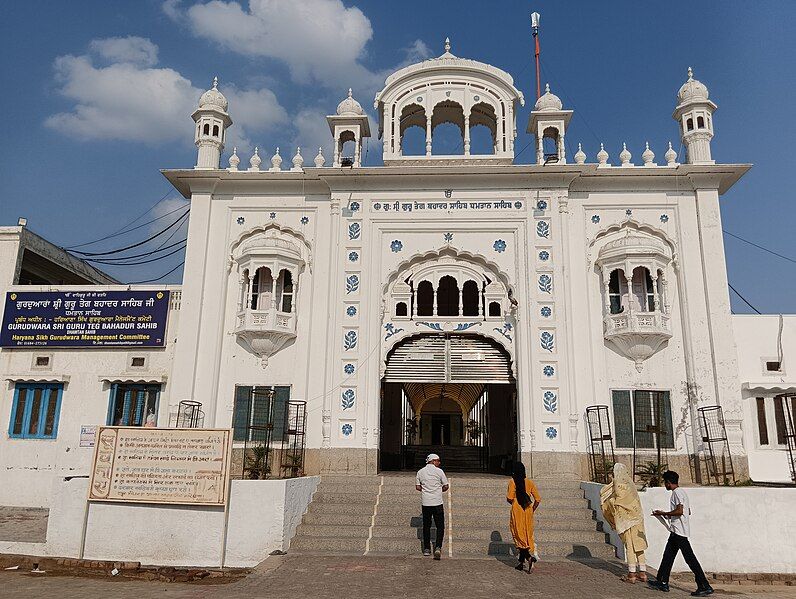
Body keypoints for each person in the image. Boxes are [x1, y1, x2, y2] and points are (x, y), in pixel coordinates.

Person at [649, 470, 713, 597]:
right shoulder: (682, 492)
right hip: (677, 531)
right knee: (668, 556)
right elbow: (687, 512)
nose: (665, 485)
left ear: (669, 482)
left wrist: (663, 513)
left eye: (665, 483)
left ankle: (704, 585)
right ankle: (662, 581)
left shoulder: (676, 493)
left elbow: (679, 511)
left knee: (690, 559)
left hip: (679, 533)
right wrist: (668, 515)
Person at [600, 463, 648, 583]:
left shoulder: (617, 486)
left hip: (625, 520)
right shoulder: (631, 485)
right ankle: (643, 573)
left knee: (630, 546)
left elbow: (611, 500)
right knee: (639, 544)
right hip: (637, 518)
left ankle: (631, 574)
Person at [506, 462, 541, 572]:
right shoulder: (530, 482)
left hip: (517, 510)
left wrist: (516, 501)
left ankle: (529, 558)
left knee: (518, 533)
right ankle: (521, 563)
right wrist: (532, 510)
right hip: (528, 509)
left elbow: (509, 497)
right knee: (526, 534)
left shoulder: (513, 481)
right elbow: (538, 499)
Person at [415, 453, 449, 560]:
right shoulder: (439, 472)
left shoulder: (420, 472)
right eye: (438, 460)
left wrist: (426, 491)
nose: (439, 462)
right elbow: (446, 486)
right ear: (433, 461)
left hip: (426, 503)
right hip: (437, 502)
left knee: (426, 525)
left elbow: (417, 487)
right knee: (440, 526)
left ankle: (426, 549)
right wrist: (439, 490)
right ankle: (438, 547)